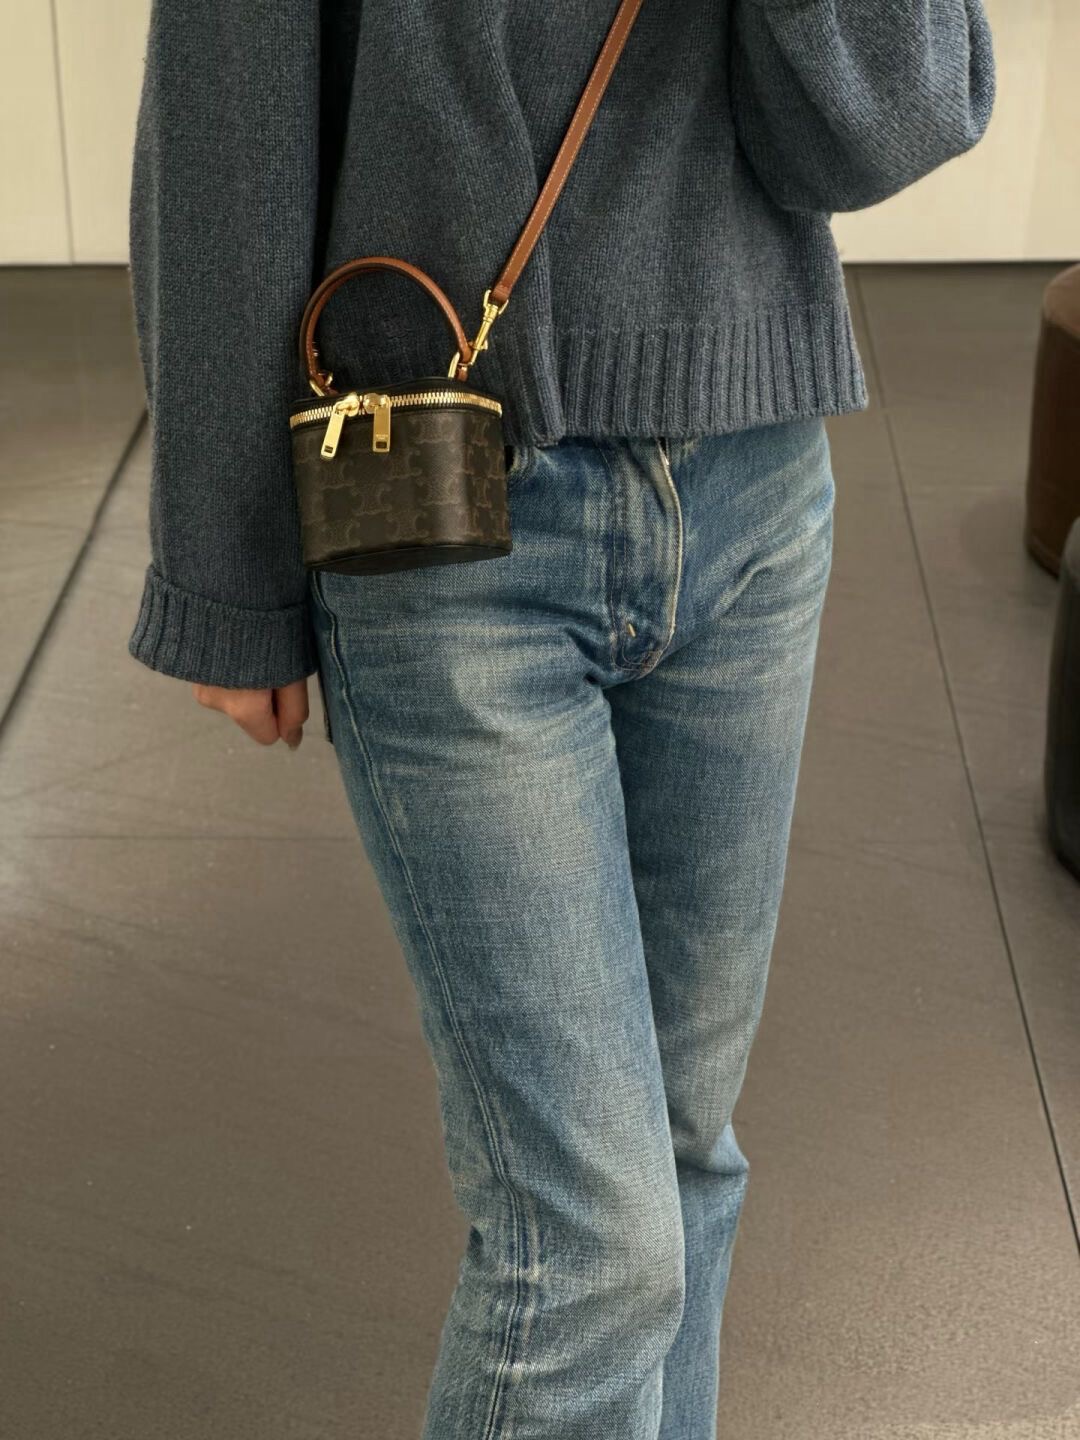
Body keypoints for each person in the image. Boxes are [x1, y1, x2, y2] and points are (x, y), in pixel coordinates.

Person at [125, 2, 995, 1435]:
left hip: (753, 473)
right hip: (444, 500)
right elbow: (228, 109)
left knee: (685, 1155)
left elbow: (888, 124)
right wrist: (224, 563)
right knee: (589, 1252)